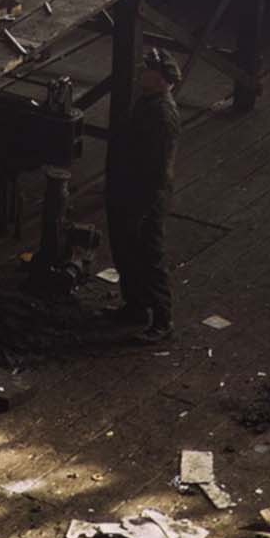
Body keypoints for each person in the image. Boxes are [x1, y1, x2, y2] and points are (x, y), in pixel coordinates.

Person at [105, 46, 182, 342]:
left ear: (161, 78)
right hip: (130, 191)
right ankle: (135, 306)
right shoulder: (147, 102)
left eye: (148, 69)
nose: (141, 72)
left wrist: (143, 208)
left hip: (146, 198)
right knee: (126, 252)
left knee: (150, 257)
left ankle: (163, 321)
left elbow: (158, 170)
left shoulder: (162, 115)